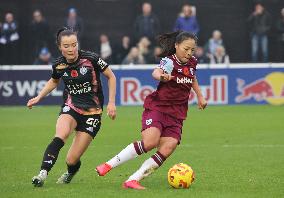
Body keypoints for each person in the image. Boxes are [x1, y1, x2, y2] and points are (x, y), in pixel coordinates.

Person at [96, 31, 207, 190]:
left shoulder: (193, 62)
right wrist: (162, 77)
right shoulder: (169, 61)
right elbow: (156, 72)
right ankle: (108, 165)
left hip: (177, 114)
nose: (189, 53)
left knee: (169, 146)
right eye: (186, 49)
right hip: (158, 108)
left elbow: (192, 77)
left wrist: (200, 96)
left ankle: (133, 180)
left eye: (192, 50)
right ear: (176, 45)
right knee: (149, 142)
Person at [27, 27, 117, 187]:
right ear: (60, 47)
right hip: (72, 107)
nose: (71, 49)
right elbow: (54, 81)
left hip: (92, 114)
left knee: (72, 159)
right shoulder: (58, 64)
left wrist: (111, 102)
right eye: (66, 46)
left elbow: (111, 76)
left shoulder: (91, 58)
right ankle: (42, 173)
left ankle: (70, 171)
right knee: (61, 134)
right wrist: (39, 97)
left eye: (74, 45)